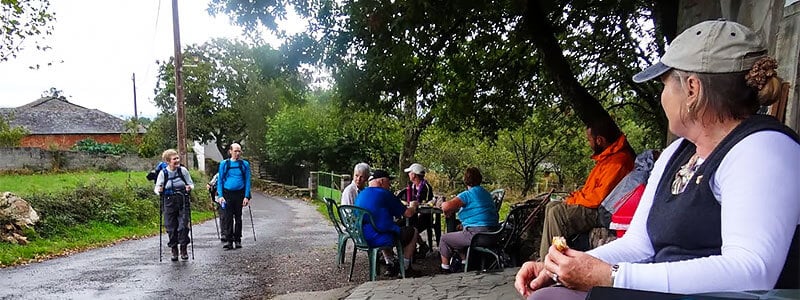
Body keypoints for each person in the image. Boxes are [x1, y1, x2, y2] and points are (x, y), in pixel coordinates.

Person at [514, 20, 800, 299]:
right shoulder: (679, 153)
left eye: (665, 85)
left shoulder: (762, 149)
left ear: (691, 89)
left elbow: (752, 271)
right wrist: (560, 268)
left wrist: (612, 276)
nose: (663, 96)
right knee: (550, 293)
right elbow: (640, 243)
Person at [537, 119, 636, 260]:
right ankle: (547, 257)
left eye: (589, 140)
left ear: (599, 140)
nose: (588, 143)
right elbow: (589, 190)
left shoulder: (618, 161)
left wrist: (572, 200)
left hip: (603, 211)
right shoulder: (606, 158)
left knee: (557, 213)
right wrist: (572, 198)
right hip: (594, 205)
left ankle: (553, 262)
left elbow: (597, 198)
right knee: (551, 205)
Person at [354, 169, 420, 277]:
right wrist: (413, 206)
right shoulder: (385, 193)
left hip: (361, 237)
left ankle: (391, 263)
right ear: (381, 181)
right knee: (413, 231)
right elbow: (408, 214)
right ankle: (405, 267)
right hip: (378, 238)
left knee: (387, 227)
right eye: (389, 182)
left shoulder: (362, 193)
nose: (389, 185)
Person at [438, 167, 499, 273]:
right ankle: (464, 263)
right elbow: (479, 212)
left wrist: (440, 203)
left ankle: (445, 269)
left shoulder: (468, 194)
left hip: (478, 236)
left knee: (445, 239)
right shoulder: (486, 194)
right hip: (494, 233)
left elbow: (447, 207)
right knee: (458, 234)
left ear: (465, 180)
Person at [153, 149, 195, 261]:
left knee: (183, 226)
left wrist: (189, 187)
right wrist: (159, 191)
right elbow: (157, 188)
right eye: (174, 159)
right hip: (168, 201)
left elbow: (190, 183)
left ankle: (183, 248)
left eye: (177, 158)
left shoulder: (183, 171)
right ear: (168, 161)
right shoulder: (163, 173)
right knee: (170, 227)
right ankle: (174, 249)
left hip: (182, 199)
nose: (177, 160)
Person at [216, 143, 252, 250]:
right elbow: (220, 180)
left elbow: (247, 180)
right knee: (228, 217)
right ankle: (229, 240)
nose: (237, 153)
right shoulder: (224, 164)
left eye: (239, 151)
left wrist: (246, 196)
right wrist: (220, 195)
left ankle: (238, 240)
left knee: (238, 217)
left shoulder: (244, 164)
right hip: (227, 193)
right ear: (230, 151)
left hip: (239, 193)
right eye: (235, 151)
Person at [401, 163, 435, 257]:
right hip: (413, 214)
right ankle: (421, 246)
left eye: (410, 173)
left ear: (414, 175)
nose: (408, 175)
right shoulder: (410, 187)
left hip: (425, 216)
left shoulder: (426, 187)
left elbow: (428, 202)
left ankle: (414, 249)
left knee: (411, 226)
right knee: (404, 223)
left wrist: (417, 204)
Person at [206, 172, 229, 243]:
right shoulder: (219, 174)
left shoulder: (234, 173)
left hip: (232, 197)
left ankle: (229, 233)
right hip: (221, 198)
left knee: (229, 216)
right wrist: (209, 186)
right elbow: (211, 184)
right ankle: (224, 234)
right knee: (223, 216)